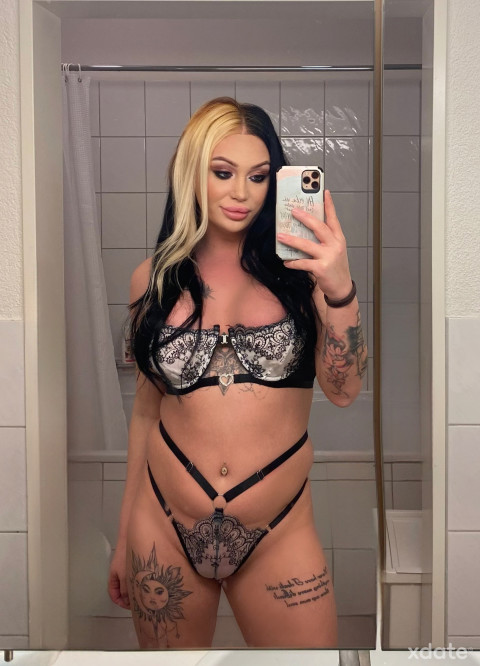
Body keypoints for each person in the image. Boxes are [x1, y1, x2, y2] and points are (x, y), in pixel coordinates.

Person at [107, 97, 367, 649]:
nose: (242, 193)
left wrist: (340, 289)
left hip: (278, 531)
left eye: (259, 176)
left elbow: (345, 390)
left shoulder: (303, 276)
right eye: (223, 173)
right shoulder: (151, 280)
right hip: (162, 525)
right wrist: (126, 529)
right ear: (191, 173)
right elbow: (146, 411)